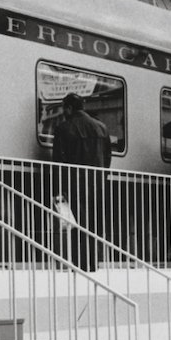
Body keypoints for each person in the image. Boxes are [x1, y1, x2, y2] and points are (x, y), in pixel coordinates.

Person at [52, 92, 111, 271]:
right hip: (98, 183)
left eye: (64, 108)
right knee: (94, 224)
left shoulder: (64, 128)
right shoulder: (102, 128)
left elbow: (58, 161)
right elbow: (107, 158)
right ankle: (93, 264)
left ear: (69, 108)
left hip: (74, 182)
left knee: (77, 223)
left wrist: (58, 188)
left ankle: (79, 264)